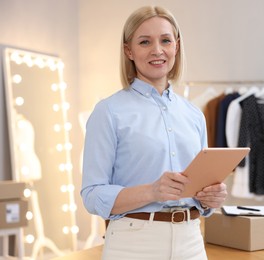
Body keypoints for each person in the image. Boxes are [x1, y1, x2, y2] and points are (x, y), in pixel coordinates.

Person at [80, 5, 227, 260]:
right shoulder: (109, 112)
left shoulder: (193, 115)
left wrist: (209, 199)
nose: (157, 50)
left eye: (165, 40)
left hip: (191, 241)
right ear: (129, 50)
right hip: (133, 244)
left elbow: (200, 190)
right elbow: (92, 195)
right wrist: (152, 191)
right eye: (145, 42)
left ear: (176, 46)